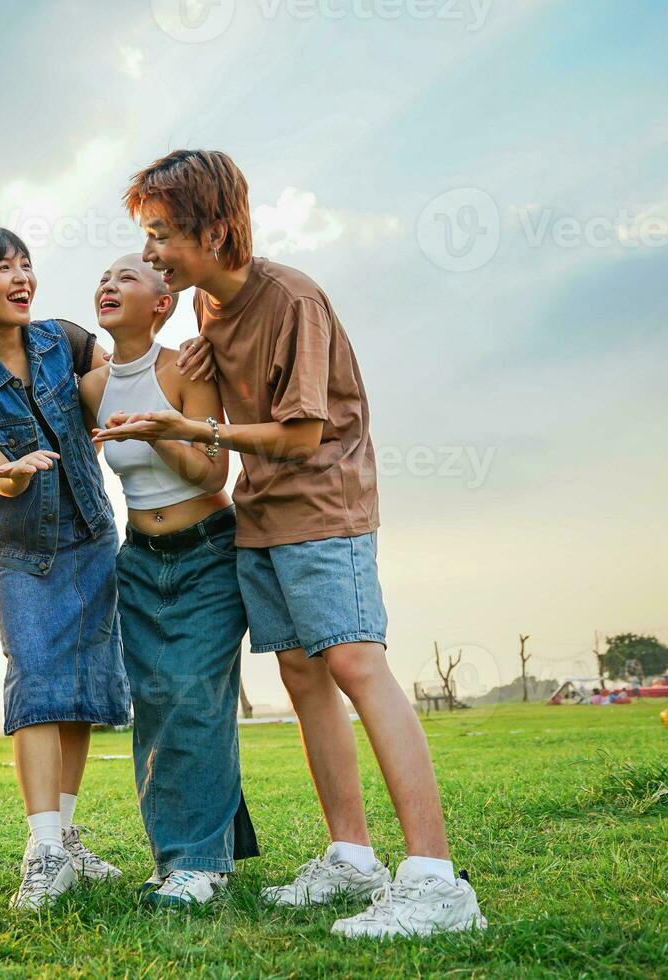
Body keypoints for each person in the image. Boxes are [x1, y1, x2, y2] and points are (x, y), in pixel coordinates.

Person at [97, 148, 487, 938]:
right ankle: (351, 856)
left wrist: (193, 428)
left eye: (162, 234)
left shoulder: (293, 299)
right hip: (260, 512)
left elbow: (305, 432)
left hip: (324, 504)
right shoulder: (207, 307)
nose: (150, 253)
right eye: (146, 235)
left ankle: (436, 879)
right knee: (304, 677)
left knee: (352, 661)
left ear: (215, 229)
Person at [0, 228, 129, 910]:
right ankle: (42, 850)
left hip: (94, 538)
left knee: (80, 690)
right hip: (24, 553)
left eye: (25, 264)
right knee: (38, 683)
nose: (20, 277)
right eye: (1, 268)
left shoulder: (66, 341)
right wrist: (10, 472)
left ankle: (66, 838)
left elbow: (120, 386)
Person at [79, 254, 259, 909]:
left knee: (195, 697)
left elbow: (212, 473)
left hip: (207, 550)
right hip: (139, 558)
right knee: (156, 708)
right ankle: (179, 858)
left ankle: (198, 862)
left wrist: (157, 436)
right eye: (105, 276)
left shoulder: (186, 367)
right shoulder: (93, 386)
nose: (108, 283)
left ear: (161, 303)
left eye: (125, 277)